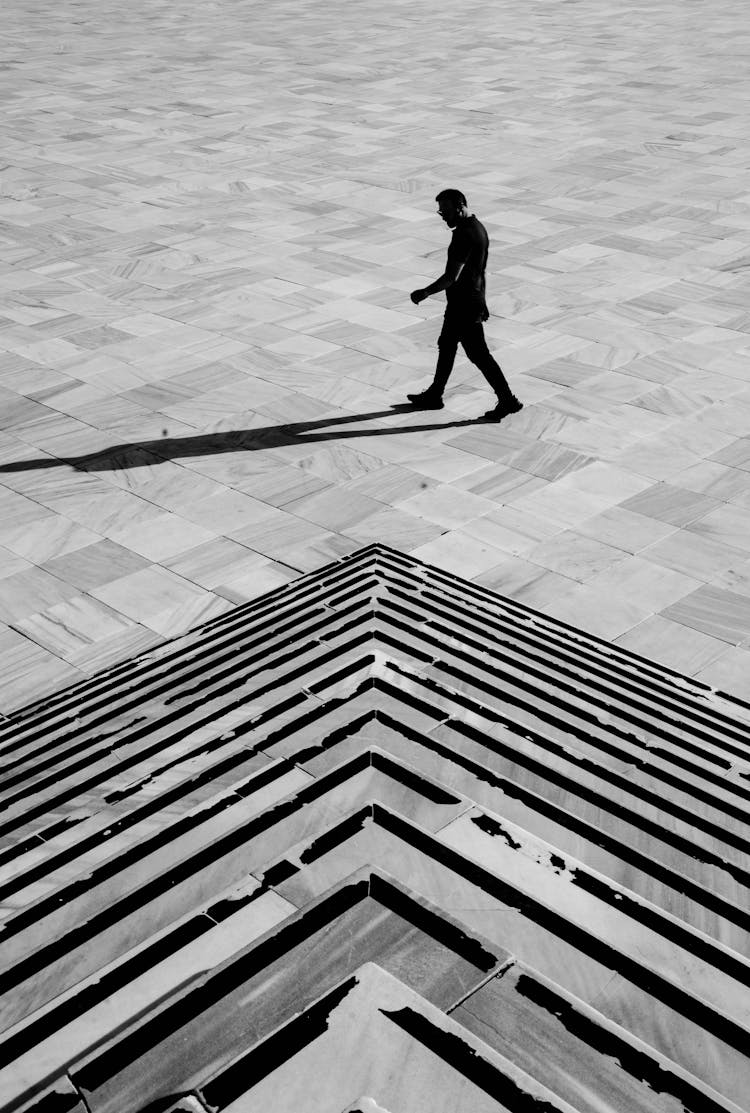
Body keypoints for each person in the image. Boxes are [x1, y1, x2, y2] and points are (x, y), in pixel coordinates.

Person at [408, 189, 522, 421]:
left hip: (464, 305)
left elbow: (452, 276)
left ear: (460, 207)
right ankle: (435, 394)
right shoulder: (478, 228)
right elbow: (479, 270)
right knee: (447, 345)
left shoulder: (464, 235)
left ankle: (508, 399)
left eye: (446, 211)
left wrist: (425, 292)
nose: (442, 215)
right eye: (440, 211)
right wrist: (483, 300)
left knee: (478, 355)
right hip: (470, 301)